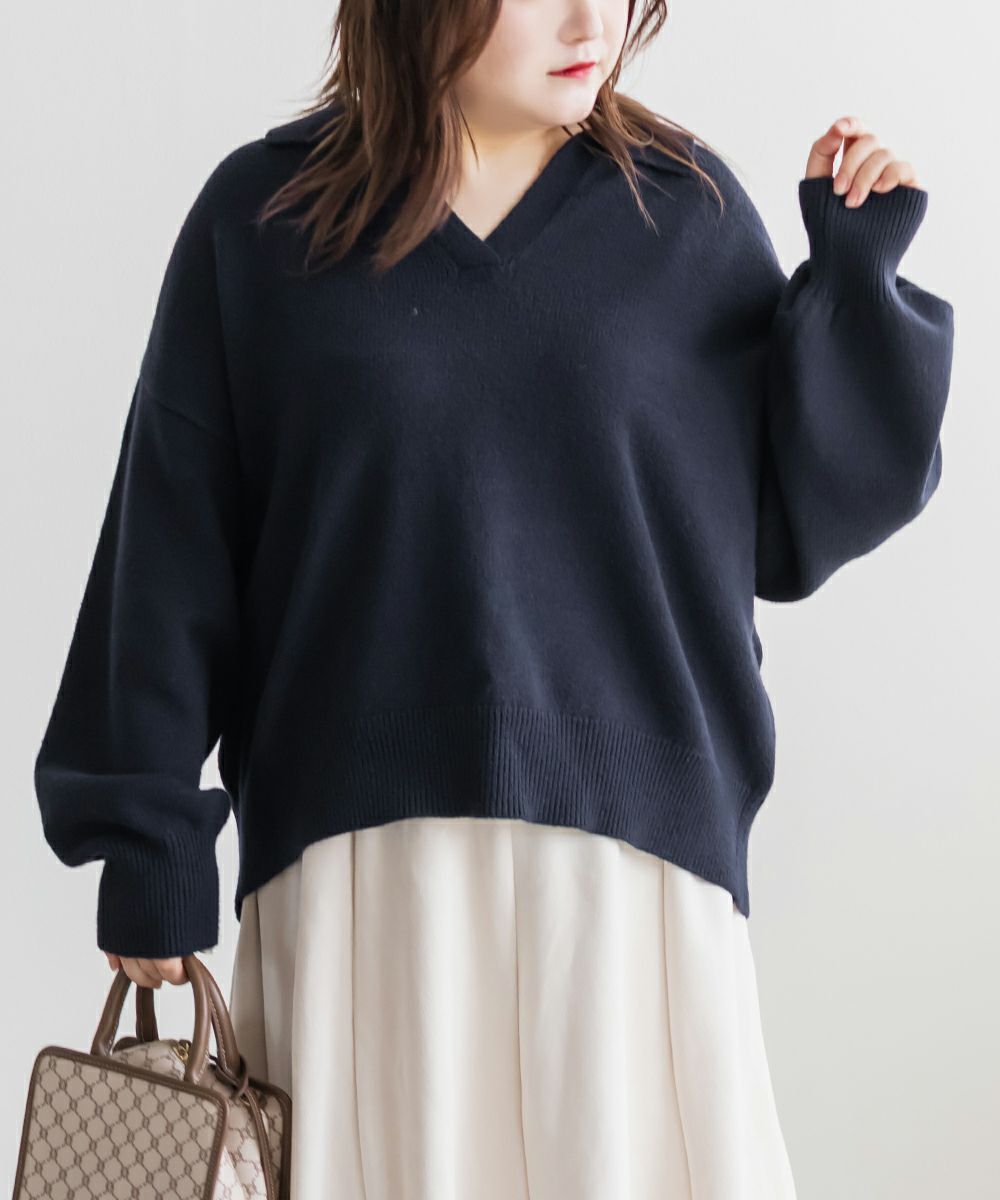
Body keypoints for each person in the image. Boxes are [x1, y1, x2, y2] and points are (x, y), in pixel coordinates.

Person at [33, 0, 954, 1192]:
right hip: (359, 886)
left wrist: (853, 285)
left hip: (636, 885)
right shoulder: (263, 223)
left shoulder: (686, 216)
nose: (589, 22)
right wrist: (147, 843)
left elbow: (795, 527)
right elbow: (168, 551)